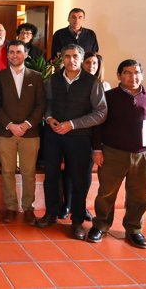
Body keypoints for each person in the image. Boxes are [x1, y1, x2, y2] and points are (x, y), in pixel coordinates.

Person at [87, 60, 146, 249]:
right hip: (113, 153)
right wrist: (97, 149)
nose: (133, 77)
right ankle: (100, 225)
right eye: (127, 73)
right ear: (119, 76)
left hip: (144, 155)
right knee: (106, 193)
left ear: (142, 75)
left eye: (137, 73)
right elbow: (98, 125)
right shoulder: (108, 97)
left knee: (140, 196)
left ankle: (134, 229)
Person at [36, 44, 107, 241]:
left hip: (80, 137)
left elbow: (101, 112)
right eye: (67, 56)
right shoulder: (53, 80)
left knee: (79, 179)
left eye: (75, 56)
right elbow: (47, 104)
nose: (71, 60)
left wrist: (73, 124)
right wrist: (49, 118)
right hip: (54, 134)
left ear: (82, 58)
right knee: (50, 176)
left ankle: (77, 221)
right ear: (61, 58)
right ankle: (51, 214)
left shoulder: (92, 82)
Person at [0, 41, 46, 225]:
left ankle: (28, 208)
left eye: (18, 52)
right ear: (7, 55)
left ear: (26, 54)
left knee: (28, 172)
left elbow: (41, 105)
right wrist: (10, 125)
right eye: (11, 52)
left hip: (29, 133)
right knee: (7, 171)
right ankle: (10, 207)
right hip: (5, 132)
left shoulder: (37, 77)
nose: (15, 55)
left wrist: (26, 124)